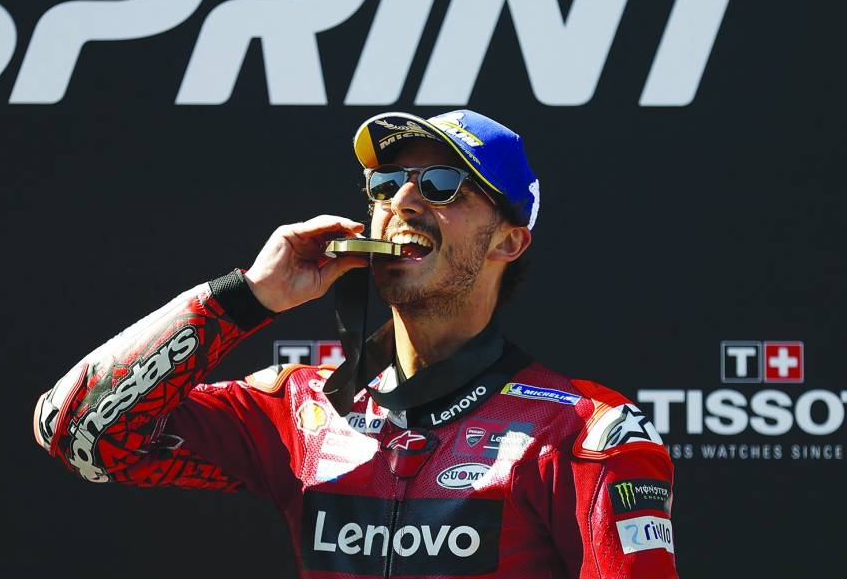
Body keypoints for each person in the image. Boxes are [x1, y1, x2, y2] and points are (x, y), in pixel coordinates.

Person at [33, 109, 678, 578]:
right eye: (384, 185)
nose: (402, 201)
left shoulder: (586, 434)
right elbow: (77, 433)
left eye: (442, 186)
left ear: (508, 240)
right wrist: (244, 297)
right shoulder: (297, 410)